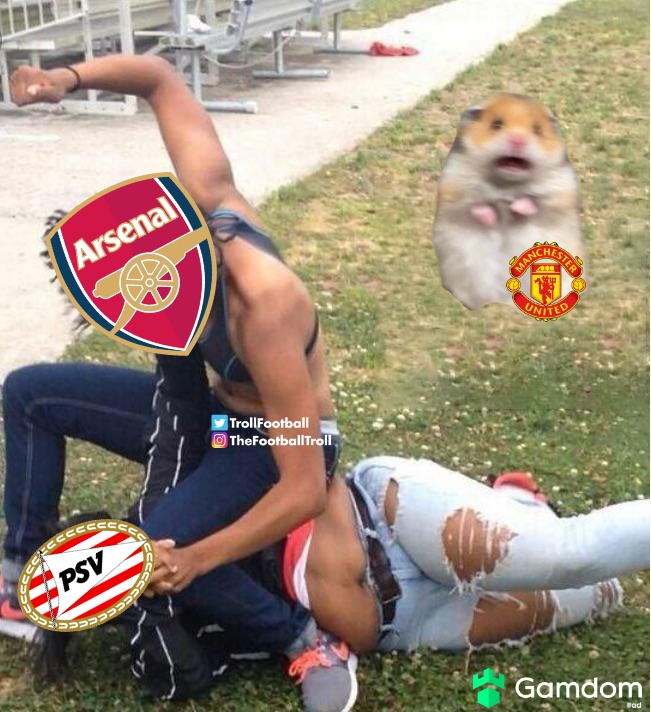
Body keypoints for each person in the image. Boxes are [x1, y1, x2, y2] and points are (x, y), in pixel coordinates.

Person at [2, 54, 357, 712]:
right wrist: (65, 80)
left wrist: (196, 559)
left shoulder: (264, 309)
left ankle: (303, 639)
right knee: (29, 394)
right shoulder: (201, 194)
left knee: (156, 548)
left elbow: (304, 487)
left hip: (269, 438)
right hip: (211, 414)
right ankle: (16, 574)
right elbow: (159, 76)